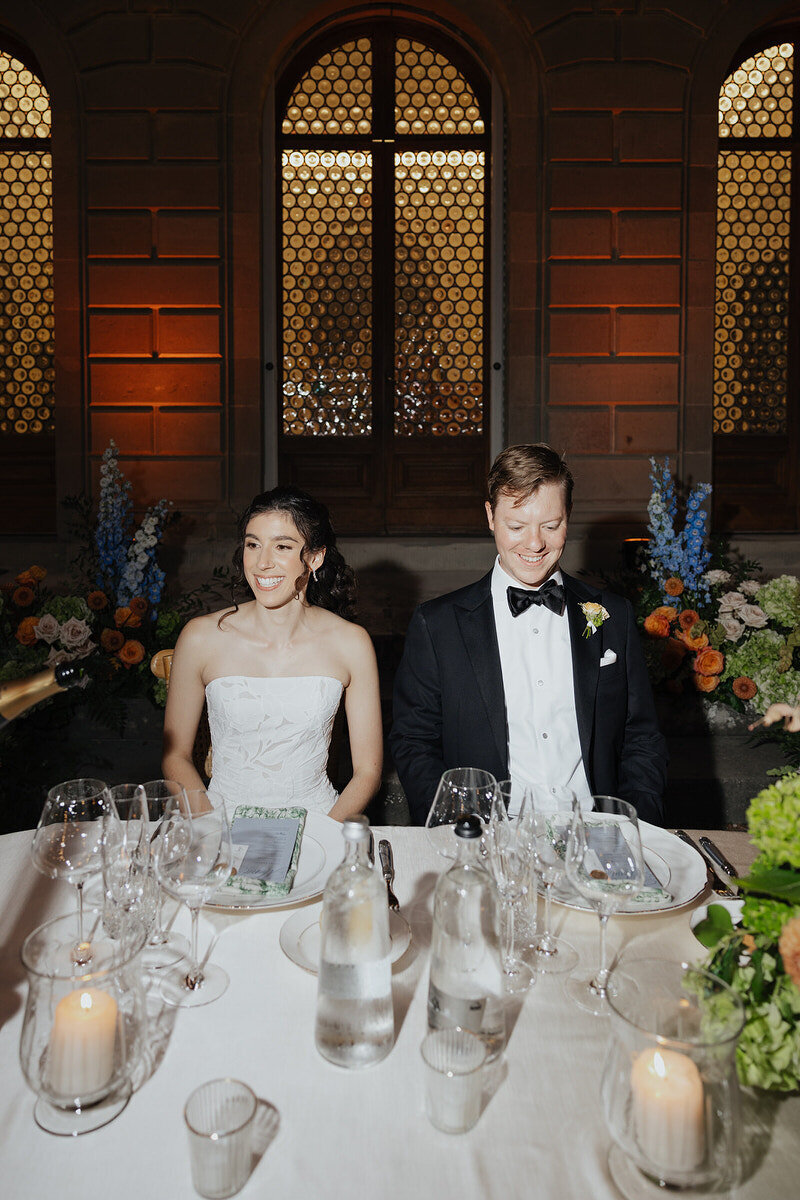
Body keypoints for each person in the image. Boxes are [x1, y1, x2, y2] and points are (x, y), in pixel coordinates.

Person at [390, 444, 668, 826]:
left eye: (551, 526)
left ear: (568, 516)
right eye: (516, 526)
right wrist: (459, 830)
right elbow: (414, 742)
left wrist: (637, 825)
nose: (535, 544)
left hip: (598, 833)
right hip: (490, 838)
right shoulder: (437, 624)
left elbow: (642, 737)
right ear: (490, 516)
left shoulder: (613, 615)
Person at [162, 487, 383, 821]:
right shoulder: (200, 638)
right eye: (253, 544)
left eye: (282, 546)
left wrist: (325, 836)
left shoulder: (351, 644)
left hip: (318, 822)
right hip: (218, 819)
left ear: (315, 557)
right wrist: (210, 830)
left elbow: (368, 771)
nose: (262, 563)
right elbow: (175, 756)